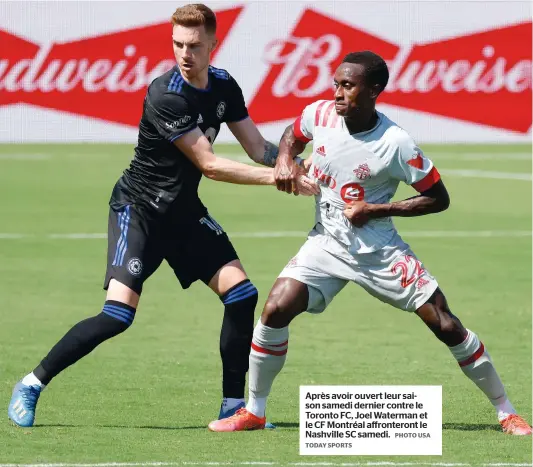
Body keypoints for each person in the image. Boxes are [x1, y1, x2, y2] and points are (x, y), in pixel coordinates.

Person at [8, 3, 316, 428]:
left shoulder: (225, 86)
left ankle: (232, 407)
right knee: (117, 316)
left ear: (213, 43)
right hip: (140, 212)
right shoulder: (165, 94)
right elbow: (210, 165)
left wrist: (297, 165)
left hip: (184, 214)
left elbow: (256, 148)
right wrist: (278, 180)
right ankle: (31, 383)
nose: (184, 53)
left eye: (193, 45)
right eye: (177, 44)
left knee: (242, 296)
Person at [207, 51, 532, 435]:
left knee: (445, 324)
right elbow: (293, 136)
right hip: (326, 244)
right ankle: (255, 411)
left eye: (348, 85)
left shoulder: (397, 144)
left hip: (379, 250)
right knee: (276, 308)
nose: (338, 93)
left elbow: (439, 198)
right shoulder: (320, 113)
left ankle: (506, 411)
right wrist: (284, 161)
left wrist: (376, 209)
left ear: (374, 90)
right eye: (336, 83)